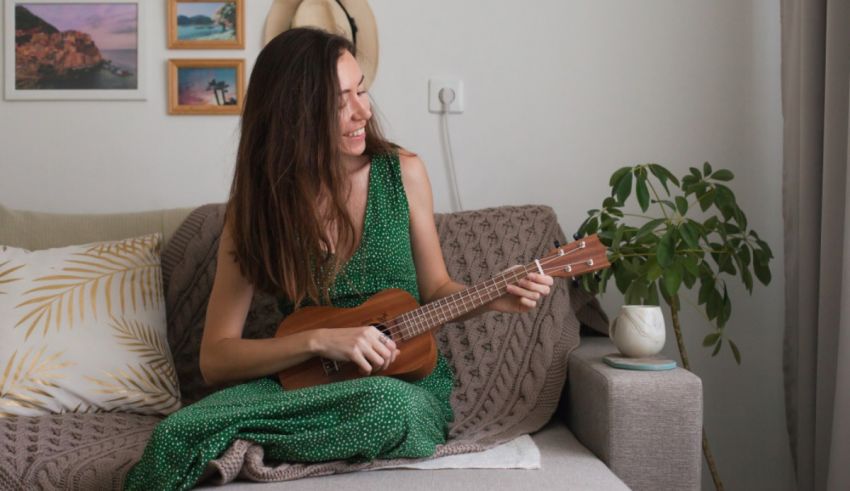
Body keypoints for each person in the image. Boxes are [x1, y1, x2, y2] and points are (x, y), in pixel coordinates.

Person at [125, 27, 553, 490]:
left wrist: (493, 296)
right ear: (293, 115)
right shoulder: (257, 207)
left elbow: (437, 290)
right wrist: (320, 341)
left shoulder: (402, 172)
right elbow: (216, 358)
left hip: (397, 386)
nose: (362, 111)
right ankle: (255, 433)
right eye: (339, 100)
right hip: (299, 383)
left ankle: (246, 437)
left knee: (389, 408)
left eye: (362, 90)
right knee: (174, 432)